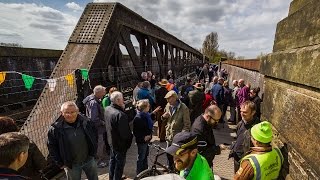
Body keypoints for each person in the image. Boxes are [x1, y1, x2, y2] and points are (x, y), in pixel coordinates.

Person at [47, 101, 98, 180]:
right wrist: (60, 163)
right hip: (71, 165)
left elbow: (94, 136)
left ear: (77, 111)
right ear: (61, 113)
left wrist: (93, 152)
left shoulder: (86, 122)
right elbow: (52, 147)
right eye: (66, 112)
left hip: (89, 160)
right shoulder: (55, 129)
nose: (70, 115)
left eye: (72, 112)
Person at [104, 91, 133, 180]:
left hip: (112, 142)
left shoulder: (108, 108)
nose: (124, 101)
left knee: (112, 161)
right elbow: (125, 134)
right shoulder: (120, 115)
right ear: (118, 100)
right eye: (122, 99)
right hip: (120, 145)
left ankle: (111, 177)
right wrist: (128, 144)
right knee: (119, 165)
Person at [162, 90, 191, 170]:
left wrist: (182, 137)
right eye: (166, 99)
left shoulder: (183, 108)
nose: (167, 101)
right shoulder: (168, 105)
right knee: (168, 154)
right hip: (169, 136)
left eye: (169, 98)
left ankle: (176, 171)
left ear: (175, 98)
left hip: (177, 138)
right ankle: (170, 169)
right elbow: (164, 119)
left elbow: (187, 125)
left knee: (176, 157)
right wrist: (163, 117)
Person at [229, 101, 260, 173]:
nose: (242, 114)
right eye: (241, 111)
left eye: (245, 112)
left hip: (247, 160)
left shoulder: (257, 127)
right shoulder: (241, 123)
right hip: (237, 156)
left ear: (253, 112)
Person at [133, 99, 161, 175]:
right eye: (148, 106)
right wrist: (143, 137)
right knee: (141, 158)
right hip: (142, 141)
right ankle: (139, 174)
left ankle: (145, 172)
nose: (149, 107)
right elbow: (135, 132)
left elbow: (149, 116)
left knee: (145, 156)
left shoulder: (145, 115)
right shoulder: (138, 118)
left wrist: (154, 112)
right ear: (145, 108)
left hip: (147, 141)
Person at [83, 85, 107, 168]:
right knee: (100, 144)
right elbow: (93, 118)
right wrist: (103, 122)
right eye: (103, 93)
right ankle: (99, 161)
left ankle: (99, 159)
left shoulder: (92, 99)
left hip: (95, 128)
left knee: (99, 143)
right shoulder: (93, 103)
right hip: (97, 128)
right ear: (98, 93)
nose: (103, 95)